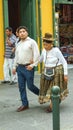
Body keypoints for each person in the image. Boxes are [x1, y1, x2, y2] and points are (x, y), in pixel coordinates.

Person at [39, 33, 69, 112]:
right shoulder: (43, 50)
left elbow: (64, 62)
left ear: (51, 44)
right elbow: (40, 60)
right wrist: (32, 64)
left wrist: (65, 74)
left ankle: (52, 106)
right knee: (47, 88)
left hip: (57, 71)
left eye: (46, 45)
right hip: (46, 71)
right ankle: (56, 101)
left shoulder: (56, 51)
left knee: (53, 89)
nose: (45, 47)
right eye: (44, 45)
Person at [12, 26, 40, 112]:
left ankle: (43, 95)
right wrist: (14, 67)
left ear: (27, 32)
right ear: (18, 34)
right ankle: (25, 104)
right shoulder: (18, 43)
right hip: (19, 68)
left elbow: (37, 55)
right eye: (20, 32)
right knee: (21, 87)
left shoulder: (32, 42)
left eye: (23, 31)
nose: (22, 33)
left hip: (28, 67)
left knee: (30, 86)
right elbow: (16, 56)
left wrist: (33, 65)